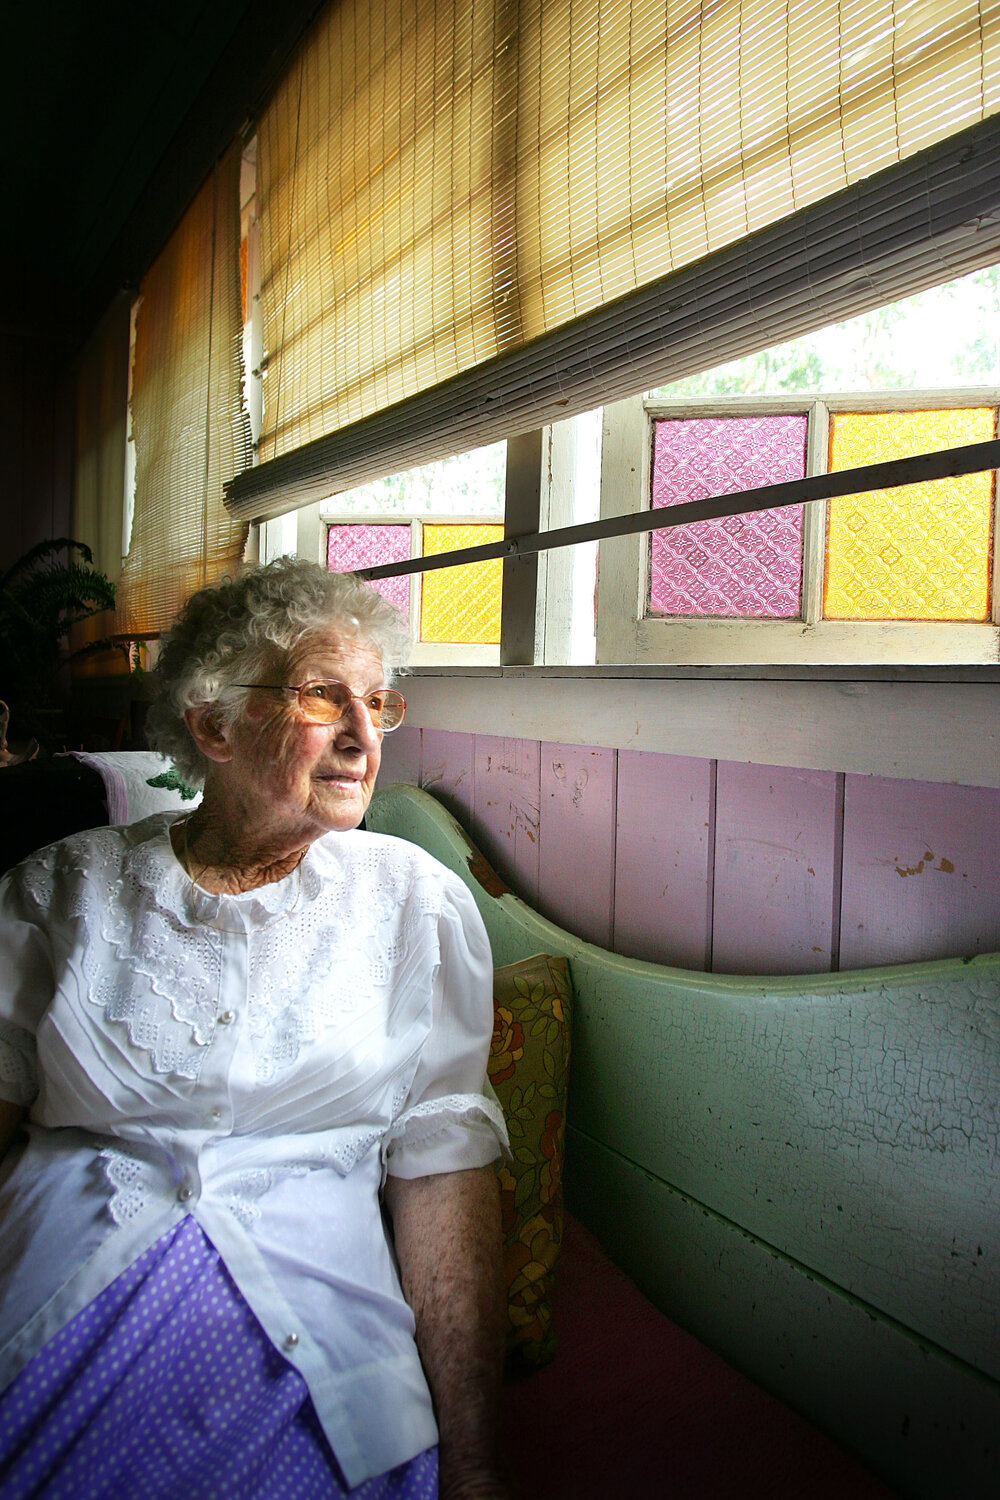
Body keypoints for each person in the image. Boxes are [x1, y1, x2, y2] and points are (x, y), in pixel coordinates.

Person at [0, 558, 511, 1500]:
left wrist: (476, 1468)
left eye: (379, 703)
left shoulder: (416, 904)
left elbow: (444, 1170)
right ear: (213, 723)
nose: (365, 735)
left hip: (320, 1349)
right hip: (48, 1320)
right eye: (323, 697)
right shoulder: (58, 888)